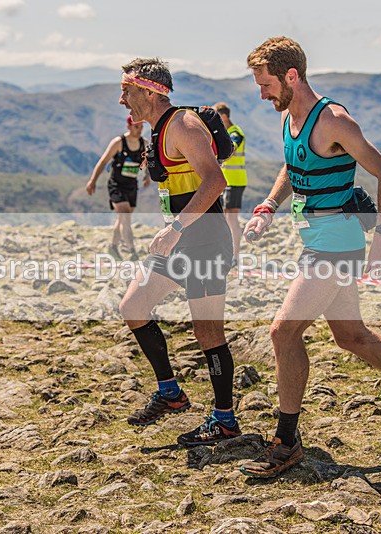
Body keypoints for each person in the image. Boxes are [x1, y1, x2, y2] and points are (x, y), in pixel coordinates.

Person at [239, 36, 381, 478]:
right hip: (315, 241)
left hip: (337, 246)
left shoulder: (334, 120)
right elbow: (292, 165)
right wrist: (267, 206)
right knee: (351, 337)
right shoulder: (291, 117)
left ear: (291, 76)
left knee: (283, 333)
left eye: (265, 85)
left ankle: (286, 442)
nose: (261, 94)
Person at [117, 58, 241, 446]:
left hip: (203, 240)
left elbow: (216, 181)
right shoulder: (159, 130)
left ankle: (224, 419)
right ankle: (170, 393)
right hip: (181, 240)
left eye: (127, 90)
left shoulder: (182, 125)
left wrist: (175, 226)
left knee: (207, 331)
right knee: (133, 307)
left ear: (150, 92)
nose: (122, 99)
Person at [86, 116, 150, 261]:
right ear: (128, 126)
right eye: (136, 127)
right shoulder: (118, 143)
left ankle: (112, 247)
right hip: (117, 185)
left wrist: (147, 176)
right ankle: (132, 250)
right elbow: (103, 162)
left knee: (123, 219)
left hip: (132, 185)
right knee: (125, 217)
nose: (139, 130)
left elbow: (147, 162)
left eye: (141, 127)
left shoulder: (144, 144)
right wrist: (93, 181)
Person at [213, 102, 247, 264]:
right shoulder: (228, 132)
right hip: (228, 182)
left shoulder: (235, 133)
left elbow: (229, 150)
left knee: (231, 218)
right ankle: (230, 253)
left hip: (235, 181)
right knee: (227, 218)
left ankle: (235, 256)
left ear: (224, 116)